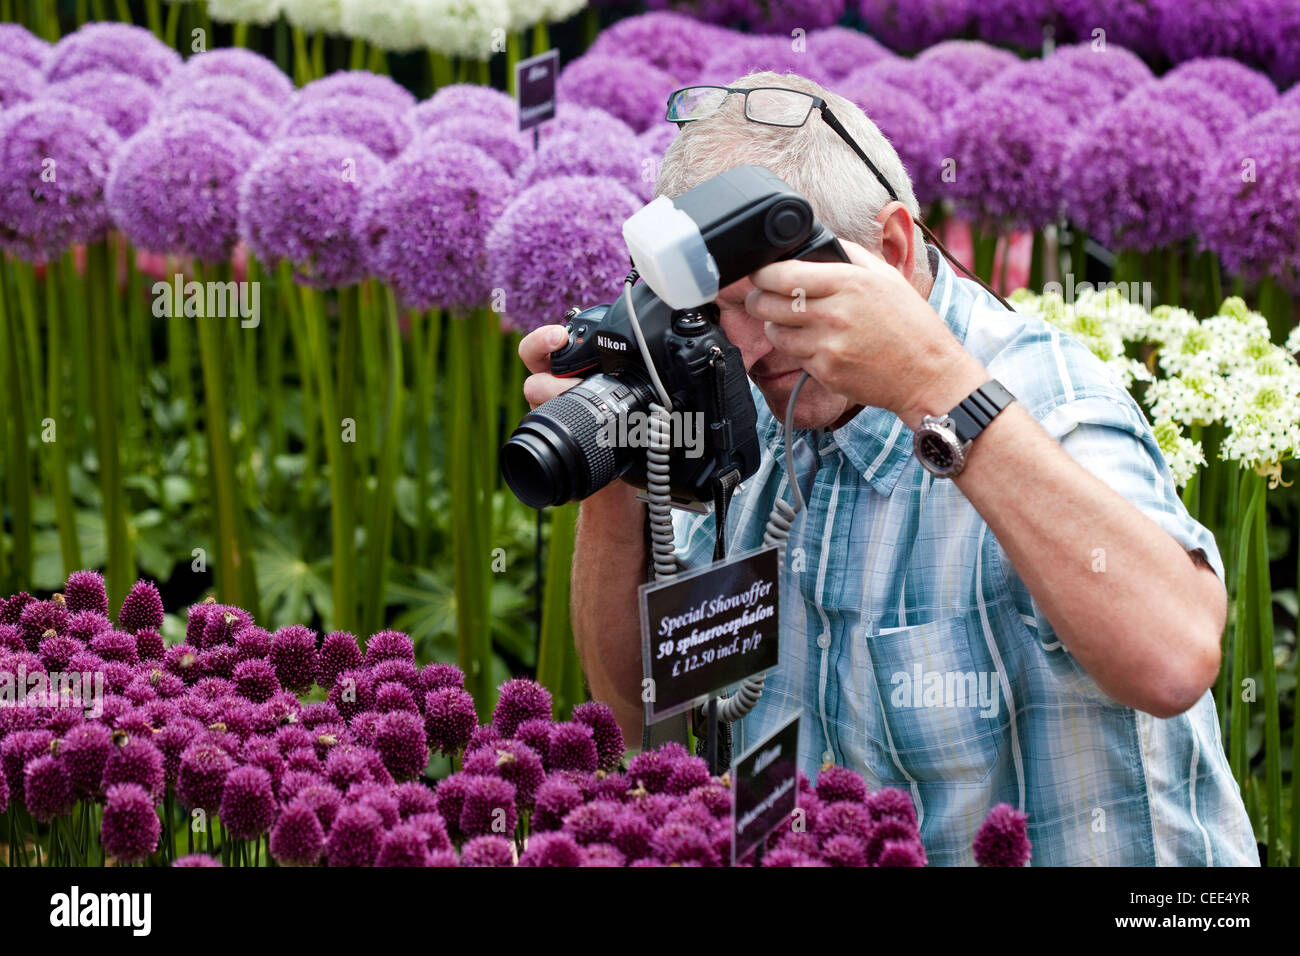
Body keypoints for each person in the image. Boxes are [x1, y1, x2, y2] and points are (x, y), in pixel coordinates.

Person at [517, 71, 1257, 866]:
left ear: (894, 251)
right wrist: (622, 450)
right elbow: (639, 719)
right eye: (714, 309)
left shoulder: (1048, 399)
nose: (747, 344)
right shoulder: (740, 393)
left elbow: (1175, 659)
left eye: (775, 300)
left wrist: (934, 386)